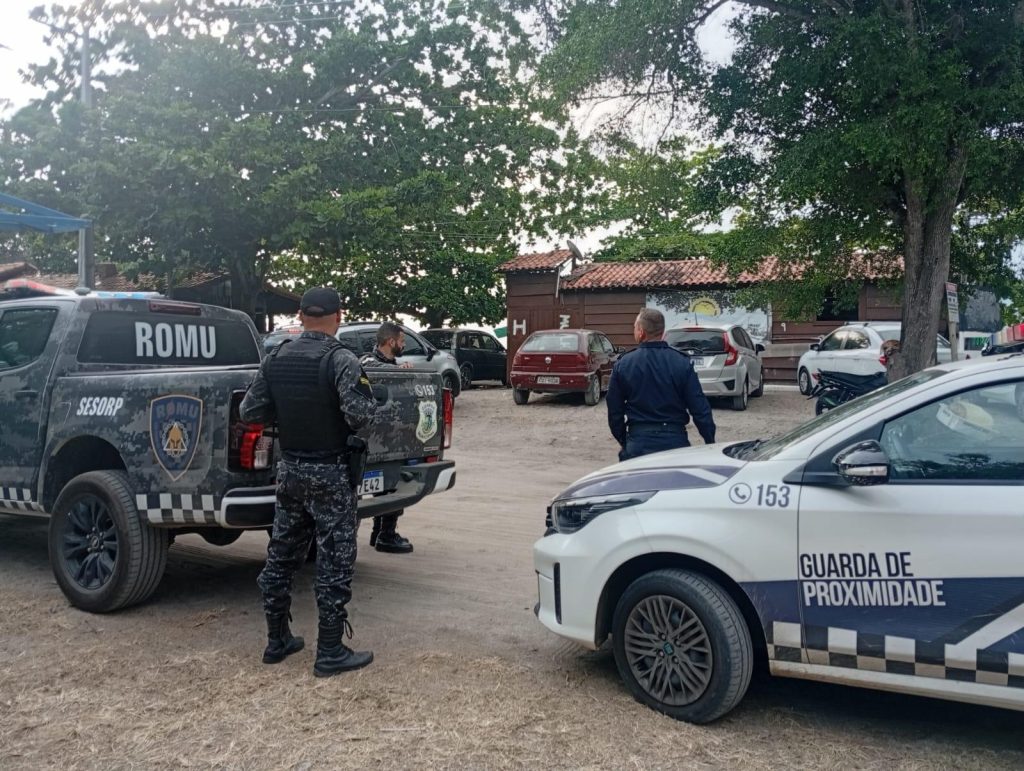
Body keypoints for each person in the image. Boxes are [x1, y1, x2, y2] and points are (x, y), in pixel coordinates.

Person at [240, 287, 380, 677]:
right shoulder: (341, 360)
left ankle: (277, 640)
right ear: (339, 316)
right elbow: (360, 416)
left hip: (291, 471)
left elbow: (250, 411)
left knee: (282, 555)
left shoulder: (275, 358)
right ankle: (330, 650)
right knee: (334, 560)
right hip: (331, 473)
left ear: (300, 316)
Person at [606, 308, 716, 461]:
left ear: (641, 332)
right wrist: (710, 442)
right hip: (675, 443)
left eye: (634, 327)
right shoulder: (682, 363)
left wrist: (625, 441)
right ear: (662, 332)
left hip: (639, 444)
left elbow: (614, 411)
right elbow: (700, 408)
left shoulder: (624, 364)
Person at [359, 320, 415, 554]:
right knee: (384, 486)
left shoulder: (392, 364)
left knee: (389, 486)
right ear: (391, 342)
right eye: (402, 341)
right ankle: (385, 535)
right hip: (370, 439)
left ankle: (381, 532)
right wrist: (398, 372)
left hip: (389, 438)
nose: (404, 345)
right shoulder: (368, 362)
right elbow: (372, 370)